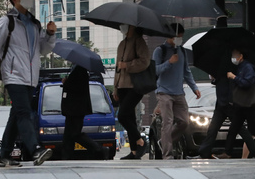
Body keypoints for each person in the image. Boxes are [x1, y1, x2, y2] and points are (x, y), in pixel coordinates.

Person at [0, 0, 56, 167]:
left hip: (31, 77)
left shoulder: (35, 24)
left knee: (16, 116)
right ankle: (36, 149)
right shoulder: (8, 22)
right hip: (13, 75)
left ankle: (4, 155)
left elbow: (42, 50)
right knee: (24, 113)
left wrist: (50, 34)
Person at [153, 23, 201, 160]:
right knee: (167, 122)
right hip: (164, 92)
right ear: (170, 36)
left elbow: (187, 71)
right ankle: (167, 154)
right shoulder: (160, 50)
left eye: (181, 37)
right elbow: (155, 70)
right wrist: (169, 62)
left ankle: (164, 142)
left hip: (179, 92)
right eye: (177, 37)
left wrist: (194, 87)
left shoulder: (182, 51)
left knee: (184, 122)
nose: (179, 39)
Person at [197, 63, 255, 159]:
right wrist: (214, 77)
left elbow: (234, 83)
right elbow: (218, 81)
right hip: (220, 103)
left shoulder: (233, 66)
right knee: (212, 129)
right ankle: (204, 153)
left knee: (241, 129)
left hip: (230, 103)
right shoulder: (221, 65)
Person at [223, 49, 255, 158]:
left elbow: (247, 83)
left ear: (241, 56)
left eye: (235, 55)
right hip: (241, 103)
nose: (233, 57)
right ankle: (227, 152)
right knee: (234, 128)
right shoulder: (239, 67)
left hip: (248, 104)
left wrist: (234, 77)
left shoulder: (247, 67)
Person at [113, 25, 150, 160]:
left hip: (135, 85)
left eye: (126, 25)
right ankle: (134, 151)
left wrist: (127, 65)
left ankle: (140, 141)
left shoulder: (139, 42)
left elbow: (144, 62)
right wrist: (115, 87)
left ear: (133, 27)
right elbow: (117, 68)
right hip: (122, 85)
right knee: (130, 118)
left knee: (122, 116)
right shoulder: (122, 44)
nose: (123, 27)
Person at [61, 64, 105, 160]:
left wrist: (66, 82)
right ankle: (67, 156)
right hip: (72, 109)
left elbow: (78, 88)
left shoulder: (80, 70)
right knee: (68, 135)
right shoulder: (77, 69)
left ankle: (98, 149)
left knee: (74, 134)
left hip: (76, 109)